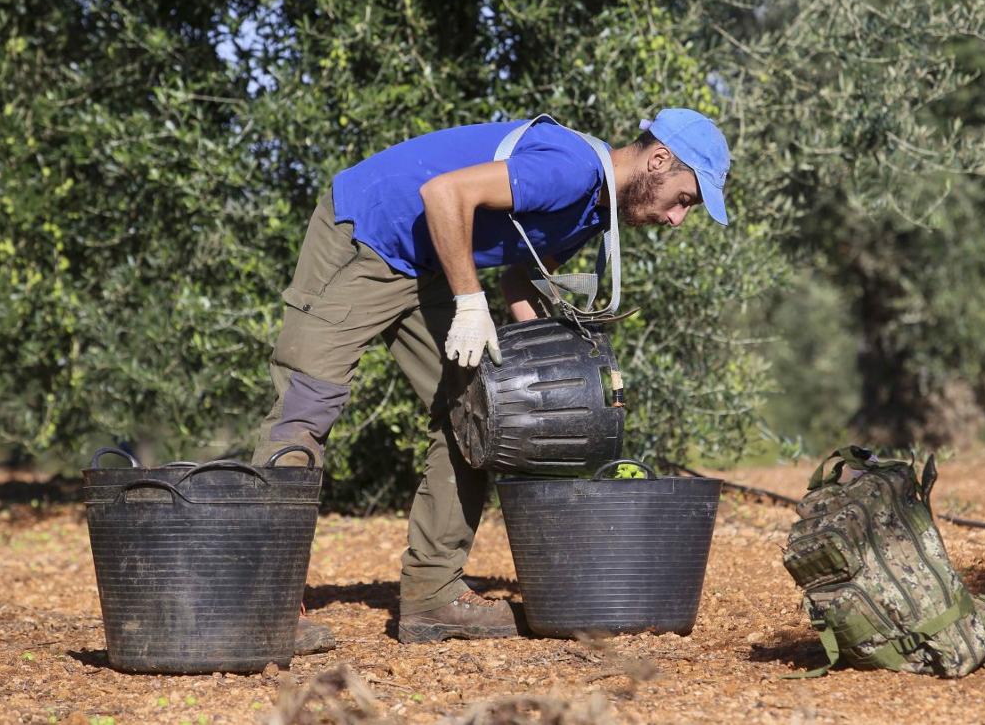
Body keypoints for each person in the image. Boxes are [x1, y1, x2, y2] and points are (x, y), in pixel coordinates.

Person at [253, 108, 731, 648]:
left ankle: (433, 597)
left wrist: (557, 369)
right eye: (684, 199)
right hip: (367, 235)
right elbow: (444, 195)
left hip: (430, 260)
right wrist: (469, 303)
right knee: (306, 410)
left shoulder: (595, 211)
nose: (677, 219)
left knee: (482, 414)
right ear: (660, 160)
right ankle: (259, 608)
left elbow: (518, 278)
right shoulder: (573, 170)